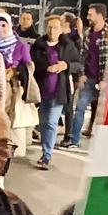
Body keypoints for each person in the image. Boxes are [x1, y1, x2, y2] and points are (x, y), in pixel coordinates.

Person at [29, 10, 81, 167]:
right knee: (43, 123)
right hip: (41, 91)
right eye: (50, 27)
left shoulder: (68, 45)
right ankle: (45, 148)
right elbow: (32, 65)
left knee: (52, 122)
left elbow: (78, 64)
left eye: (56, 27)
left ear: (61, 29)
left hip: (59, 91)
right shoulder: (39, 45)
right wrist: (45, 67)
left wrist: (66, 65)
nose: (52, 31)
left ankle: (47, 155)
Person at [70, 3, 108, 146]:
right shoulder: (89, 33)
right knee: (80, 108)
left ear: (100, 15)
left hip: (105, 81)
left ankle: (103, 143)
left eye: (91, 14)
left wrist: (107, 79)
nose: (88, 16)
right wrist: (81, 74)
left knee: (106, 114)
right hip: (89, 78)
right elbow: (83, 56)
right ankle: (74, 140)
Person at [0, 11, 29, 127]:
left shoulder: (20, 46)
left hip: (13, 89)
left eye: (3, 25)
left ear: (10, 26)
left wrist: (15, 70)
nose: (0, 29)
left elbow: (29, 66)